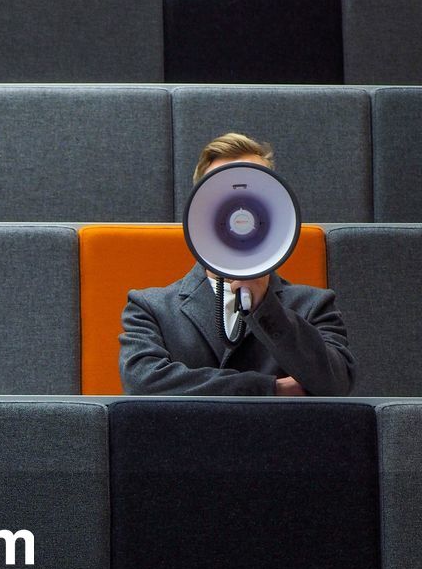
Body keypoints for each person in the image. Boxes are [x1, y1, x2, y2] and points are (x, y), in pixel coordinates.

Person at [118, 133, 355, 396]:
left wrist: (266, 307)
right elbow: (143, 382)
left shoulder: (314, 305)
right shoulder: (151, 307)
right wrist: (269, 388)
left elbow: (336, 383)